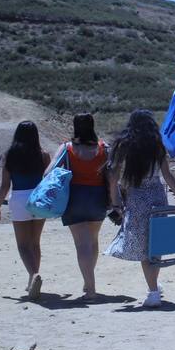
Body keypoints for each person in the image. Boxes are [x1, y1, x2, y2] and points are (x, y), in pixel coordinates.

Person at [104, 109, 175, 308]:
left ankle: (153, 291)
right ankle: (154, 286)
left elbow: (113, 178)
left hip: (137, 200)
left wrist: (115, 204)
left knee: (143, 247)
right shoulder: (157, 146)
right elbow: (168, 176)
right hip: (158, 197)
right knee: (156, 244)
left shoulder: (124, 146)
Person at [48, 113, 109, 300]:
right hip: (98, 197)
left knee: (82, 244)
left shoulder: (67, 148)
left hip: (74, 197)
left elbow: (49, 172)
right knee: (93, 241)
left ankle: (90, 289)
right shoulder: (103, 148)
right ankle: (88, 281)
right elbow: (113, 173)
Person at [0, 121, 52, 300]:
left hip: (19, 199)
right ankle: (33, 278)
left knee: (23, 245)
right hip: (38, 199)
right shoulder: (43, 155)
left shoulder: (10, 155)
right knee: (35, 243)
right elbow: (48, 180)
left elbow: (5, 185)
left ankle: (33, 276)